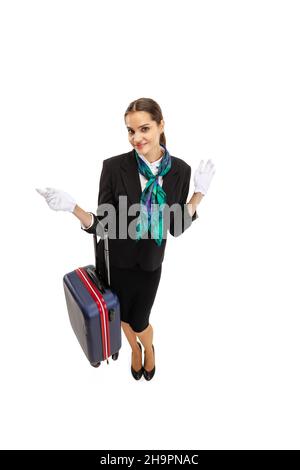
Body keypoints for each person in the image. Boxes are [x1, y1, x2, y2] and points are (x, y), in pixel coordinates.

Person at [36, 97, 216, 381]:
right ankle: (134, 349)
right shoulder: (113, 167)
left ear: (160, 126)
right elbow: (104, 224)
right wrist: (73, 208)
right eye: (131, 131)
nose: (137, 138)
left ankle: (148, 347)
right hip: (115, 262)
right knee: (120, 317)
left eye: (144, 129)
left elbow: (176, 227)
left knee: (140, 320)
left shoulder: (180, 171)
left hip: (149, 265)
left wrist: (199, 194)